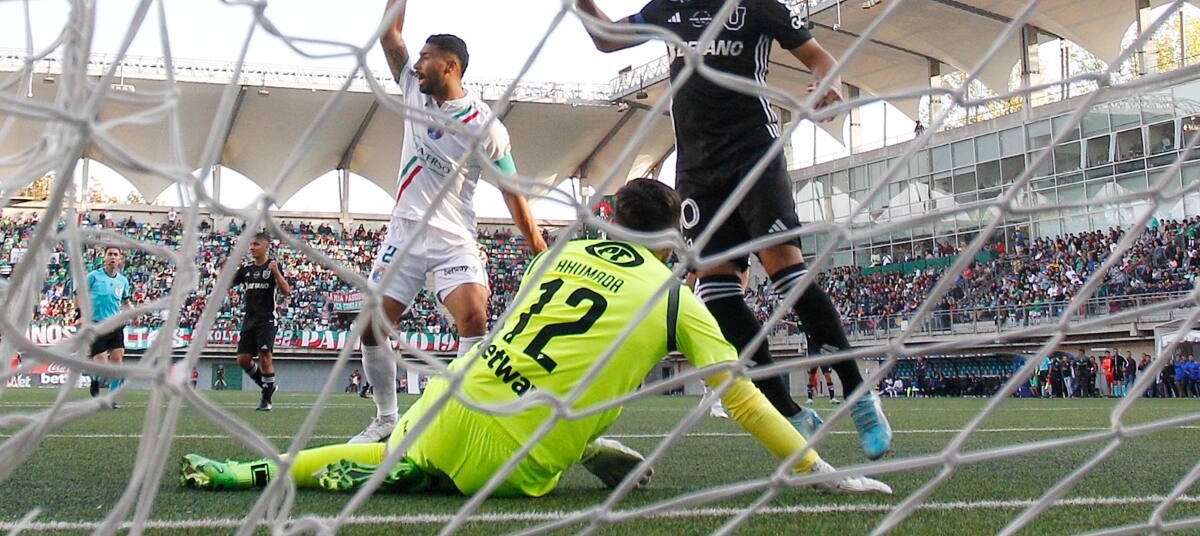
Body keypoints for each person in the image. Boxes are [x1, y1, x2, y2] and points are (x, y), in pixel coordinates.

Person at [179, 179, 891, 498]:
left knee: (390, 453)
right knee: (595, 373)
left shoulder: (555, 256)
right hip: (518, 462)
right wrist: (822, 473)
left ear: (609, 218)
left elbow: (519, 330)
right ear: (675, 237)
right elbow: (744, 403)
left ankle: (261, 469)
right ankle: (581, 442)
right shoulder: (677, 300)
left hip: (454, 403)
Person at [563, 0, 892, 459]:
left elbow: (818, 57)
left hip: (752, 154)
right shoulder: (667, 11)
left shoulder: (754, 0)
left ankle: (858, 396)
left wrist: (826, 82)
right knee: (717, 295)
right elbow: (605, 39)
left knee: (785, 269)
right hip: (695, 168)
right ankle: (789, 412)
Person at [352, 0, 548, 444]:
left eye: (427, 58)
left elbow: (512, 194)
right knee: (372, 326)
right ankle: (385, 419)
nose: (416, 63)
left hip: (453, 236)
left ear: (452, 67)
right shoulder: (414, 90)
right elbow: (388, 31)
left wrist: (540, 251)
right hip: (403, 232)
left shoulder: (485, 126)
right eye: (417, 57)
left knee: (474, 315)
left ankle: (465, 415)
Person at [229, 232, 291, 411]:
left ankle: (266, 399)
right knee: (242, 360)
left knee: (265, 356)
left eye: (256, 244)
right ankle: (268, 386)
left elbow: (286, 291)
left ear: (265, 246)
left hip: (266, 320)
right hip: (249, 320)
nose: (252, 248)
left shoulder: (272, 266)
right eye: (251, 245)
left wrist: (276, 272)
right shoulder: (246, 269)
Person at [77, 245, 131, 403]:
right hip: (97, 325)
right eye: (110, 254)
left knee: (117, 361)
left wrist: (133, 312)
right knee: (101, 363)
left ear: (120, 258)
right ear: (104, 257)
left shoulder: (123, 281)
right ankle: (95, 379)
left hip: (116, 325)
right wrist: (79, 315)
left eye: (116, 254)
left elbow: (125, 301)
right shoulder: (94, 276)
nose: (113, 257)